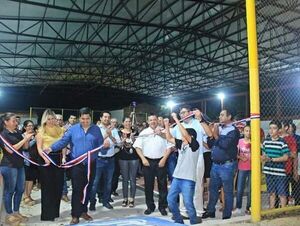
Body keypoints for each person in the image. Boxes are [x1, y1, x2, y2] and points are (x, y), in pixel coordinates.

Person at [47, 107, 108, 225]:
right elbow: (63, 141)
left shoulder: (96, 129)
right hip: (77, 165)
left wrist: (105, 147)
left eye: (87, 119)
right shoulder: (73, 129)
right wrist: (51, 148)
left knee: (88, 188)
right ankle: (75, 214)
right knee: (77, 189)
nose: (85, 121)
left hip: (91, 164)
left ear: (91, 118)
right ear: (79, 118)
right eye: (83, 118)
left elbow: (100, 144)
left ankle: (83, 211)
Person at [165, 113, 202, 225]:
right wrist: (166, 125)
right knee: (170, 200)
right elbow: (169, 138)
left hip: (188, 179)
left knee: (188, 203)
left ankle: (194, 221)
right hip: (177, 177)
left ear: (191, 137)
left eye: (183, 135)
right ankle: (178, 220)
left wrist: (176, 119)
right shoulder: (182, 144)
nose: (181, 136)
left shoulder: (195, 145)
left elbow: (185, 133)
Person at [203, 109, 240, 220]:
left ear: (229, 117)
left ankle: (227, 214)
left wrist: (216, 135)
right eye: (219, 115)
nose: (220, 117)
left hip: (227, 165)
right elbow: (210, 144)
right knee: (212, 189)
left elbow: (224, 145)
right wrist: (212, 134)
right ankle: (210, 211)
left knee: (227, 190)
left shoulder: (233, 131)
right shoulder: (219, 128)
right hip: (215, 165)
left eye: (222, 115)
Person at [172, 106, 208, 218]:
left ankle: (198, 211)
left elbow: (210, 133)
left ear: (190, 113)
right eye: (180, 113)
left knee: (197, 185)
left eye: (184, 112)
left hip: (197, 157)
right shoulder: (177, 126)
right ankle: (183, 211)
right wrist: (160, 131)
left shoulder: (197, 122)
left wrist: (201, 118)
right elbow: (169, 137)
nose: (182, 115)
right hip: (183, 159)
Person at [133, 114, 170, 216]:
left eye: (154, 119)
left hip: (161, 161)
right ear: (148, 121)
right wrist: (143, 159)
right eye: (151, 120)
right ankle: (150, 206)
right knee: (148, 186)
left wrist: (164, 159)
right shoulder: (144, 132)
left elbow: (170, 147)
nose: (153, 121)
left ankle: (162, 206)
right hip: (147, 162)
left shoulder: (164, 131)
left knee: (162, 185)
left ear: (157, 120)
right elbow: (137, 147)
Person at [0, 113, 33, 225]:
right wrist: (25, 140)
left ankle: (16, 212)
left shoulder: (18, 132)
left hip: (19, 165)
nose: (16, 122)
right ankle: (9, 215)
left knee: (20, 190)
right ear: (6, 122)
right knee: (9, 191)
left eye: (16, 121)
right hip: (8, 166)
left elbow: (25, 148)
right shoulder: (3, 134)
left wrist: (27, 139)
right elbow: (11, 150)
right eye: (13, 121)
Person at [36, 109, 65, 221]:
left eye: (53, 118)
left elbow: (63, 145)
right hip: (46, 160)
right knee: (48, 188)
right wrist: (45, 159)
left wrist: (63, 157)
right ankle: (47, 215)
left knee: (58, 187)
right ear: (45, 120)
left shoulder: (60, 130)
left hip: (58, 159)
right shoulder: (41, 131)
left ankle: (55, 213)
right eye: (49, 119)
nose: (51, 121)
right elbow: (39, 148)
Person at [89, 111, 121, 211]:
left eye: (108, 117)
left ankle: (105, 201)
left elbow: (118, 143)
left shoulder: (114, 129)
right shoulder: (95, 129)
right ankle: (92, 202)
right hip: (98, 159)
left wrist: (110, 135)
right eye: (105, 117)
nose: (106, 119)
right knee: (95, 182)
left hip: (110, 159)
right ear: (101, 118)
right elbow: (93, 144)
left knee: (108, 182)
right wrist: (106, 136)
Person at [261, 120, 289, 208]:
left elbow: (286, 157)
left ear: (279, 130)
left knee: (282, 193)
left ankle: (283, 212)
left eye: (274, 128)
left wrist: (272, 159)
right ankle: (272, 211)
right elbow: (264, 155)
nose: (271, 130)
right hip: (269, 171)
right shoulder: (266, 142)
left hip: (280, 172)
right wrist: (263, 158)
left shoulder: (282, 142)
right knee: (271, 193)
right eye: (270, 128)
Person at [118, 117, 140, 207]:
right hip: (123, 158)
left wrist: (134, 139)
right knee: (125, 179)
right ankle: (125, 198)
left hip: (134, 157)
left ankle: (132, 198)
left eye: (129, 121)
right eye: (126, 121)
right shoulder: (119, 132)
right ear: (123, 123)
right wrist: (122, 142)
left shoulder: (135, 132)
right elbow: (118, 146)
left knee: (133, 179)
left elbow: (138, 145)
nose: (128, 123)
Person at [233, 125, 251, 214]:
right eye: (246, 131)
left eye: (250, 131)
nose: (248, 133)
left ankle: (249, 208)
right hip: (242, 167)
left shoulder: (254, 141)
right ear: (243, 132)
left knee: (250, 189)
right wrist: (240, 157)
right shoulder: (240, 141)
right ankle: (238, 207)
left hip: (252, 168)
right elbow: (235, 153)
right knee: (240, 189)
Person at [22, 120, 38, 206]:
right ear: (25, 127)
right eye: (28, 126)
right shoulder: (23, 136)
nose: (30, 127)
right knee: (26, 179)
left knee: (32, 179)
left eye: (32, 126)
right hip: (26, 160)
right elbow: (25, 148)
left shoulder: (35, 135)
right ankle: (25, 196)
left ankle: (29, 195)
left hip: (35, 160)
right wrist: (34, 140)